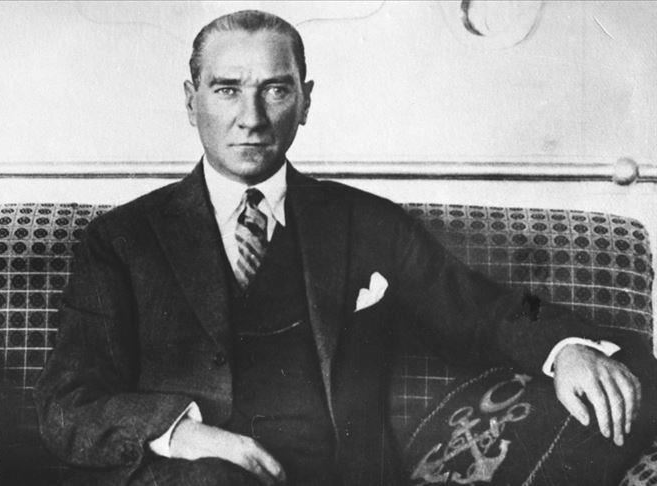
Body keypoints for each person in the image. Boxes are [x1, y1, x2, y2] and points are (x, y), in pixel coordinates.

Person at [35, 10, 646, 485]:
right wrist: (183, 432)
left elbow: (481, 308)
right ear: (190, 101)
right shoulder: (122, 240)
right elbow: (68, 404)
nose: (251, 117)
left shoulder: (365, 222)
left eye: (276, 90)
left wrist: (566, 349)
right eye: (226, 89)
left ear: (306, 101)